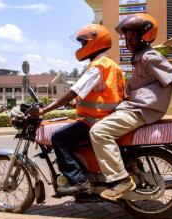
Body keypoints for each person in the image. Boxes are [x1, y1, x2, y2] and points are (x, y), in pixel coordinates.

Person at [89, 13, 172, 201]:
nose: (129, 43)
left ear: (145, 36)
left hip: (141, 111)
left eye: (133, 38)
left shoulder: (149, 57)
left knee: (99, 132)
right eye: (127, 39)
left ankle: (121, 180)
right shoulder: (139, 58)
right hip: (136, 108)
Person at [29, 24, 125, 195]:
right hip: (108, 117)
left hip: (94, 120)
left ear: (95, 42)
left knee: (58, 138)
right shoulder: (113, 65)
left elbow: (74, 91)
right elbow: (102, 93)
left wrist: (45, 110)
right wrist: (76, 104)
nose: (82, 47)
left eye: (83, 43)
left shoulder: (98, 65)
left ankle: (80, 181)